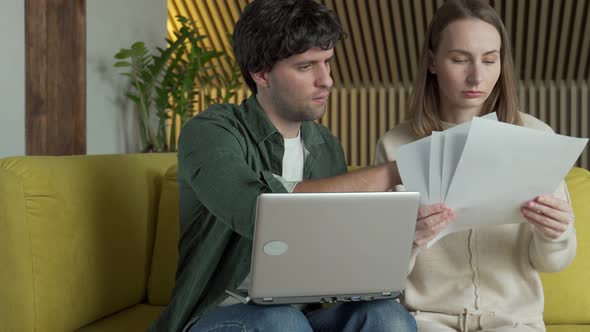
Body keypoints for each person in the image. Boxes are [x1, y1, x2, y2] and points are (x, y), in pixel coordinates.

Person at [149, 0, 416, 331]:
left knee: (387, 315)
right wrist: (393, 171)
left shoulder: (327, 146)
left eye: (327, 63)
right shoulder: (210, 131)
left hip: (302, 315)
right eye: (306, 67)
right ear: (261, 73)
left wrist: (410, 235)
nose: (327, 80)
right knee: (281, 321)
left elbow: (334, 249)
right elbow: (259, 211)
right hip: (220, 314)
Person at [374, 0, 576, 331]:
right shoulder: (396, 144)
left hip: (515, 322)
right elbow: (380, 268)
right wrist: (409, 238)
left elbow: (553, 262)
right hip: (427, 321)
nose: (476, 77)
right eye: (460, 60)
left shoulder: (536, 136)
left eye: (489, 60)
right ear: (432, 62)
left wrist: (556, 233)